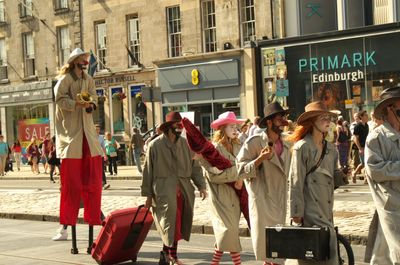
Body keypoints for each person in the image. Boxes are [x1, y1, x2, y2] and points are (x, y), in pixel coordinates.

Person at [141, 111, 207, 265]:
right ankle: (171, 256)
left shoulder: (185, 144)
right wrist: (148, 196)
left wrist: (201, 186)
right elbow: (147, 171)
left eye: (181, 126)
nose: (180, 128)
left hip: (183, 191)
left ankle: (167, 255)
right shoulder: (154, 145)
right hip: (164, 191)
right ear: (169, 127)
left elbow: (195, 167)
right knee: (169, 224)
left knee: (176, 225)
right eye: (178, 125)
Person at [53, 48, 103, 245]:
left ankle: (95, 217)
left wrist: (91, 105)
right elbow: (60, 100)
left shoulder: (89, 79)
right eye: (83, 59)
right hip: (72, 137)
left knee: (93, 183)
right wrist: (77, 104)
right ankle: (66, 225)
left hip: (88, 138)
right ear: (75, 61)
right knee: (71, 185)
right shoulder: (65, 80)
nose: (86, 62)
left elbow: (94, 98)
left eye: (86, 59)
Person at [237, 101, 291, 265]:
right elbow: (239, 170)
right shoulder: (254, 142)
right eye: (280, 118)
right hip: (263, 199)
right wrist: (259, 159)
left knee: (278, 250)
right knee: (269, 250)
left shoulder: (287, 142)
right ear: (269, 121)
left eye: (284, 117)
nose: (283, 121)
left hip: (281, 199)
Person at [288, 101, 342, 265]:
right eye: (323, 118)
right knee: (314, 256)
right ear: (312, 121)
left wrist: (342, 174)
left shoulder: (331, 148)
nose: (328, 121)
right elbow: (295, 182)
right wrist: (296, 213)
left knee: (326, 252)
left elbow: (334, 180)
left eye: (329, 118)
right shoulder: (301, 147)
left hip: (327, 209)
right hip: (310, 210)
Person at [197, 111, 248, 265]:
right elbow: (212, 175)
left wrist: (241, 178)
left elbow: (245, 166)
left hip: (235, 195)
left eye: (236, 126)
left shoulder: (239, 145)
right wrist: (236, 176)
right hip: (221, 197)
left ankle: (215, 263)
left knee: (226, 233)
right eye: (231, 126)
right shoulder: (215, 148)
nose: (235, 129)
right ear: (222, 128)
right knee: (229, 231)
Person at [364, 87, 400, 265]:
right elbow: (374, 170)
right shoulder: (376, 137)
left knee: (383, 256)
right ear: (389, 109)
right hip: (391, 206)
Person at [352, 110, 369, 184]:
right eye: (365, 115)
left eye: (367, 115)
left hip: (366, 147)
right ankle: (355, 173)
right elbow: (355, 138)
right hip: (360, 147)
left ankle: (358, 174)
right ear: (361, 117)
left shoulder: (367, 125)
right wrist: (360, 148)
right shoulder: (357, 126)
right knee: (364, 163)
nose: (367, 116)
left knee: (365, 163)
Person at [95, 125, 109, 190]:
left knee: (101, 169)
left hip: (100, 155)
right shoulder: (91, 137)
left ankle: (104, 183)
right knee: (94, 170)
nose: (97, 130)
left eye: (98, 129)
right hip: (93, 156)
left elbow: (103, 147)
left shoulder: (101, 137)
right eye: (96, 129)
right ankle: (96, 183)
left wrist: (105, 155)